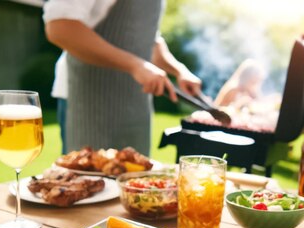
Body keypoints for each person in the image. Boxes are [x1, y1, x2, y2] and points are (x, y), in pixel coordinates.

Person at [43, 0, 202, 156]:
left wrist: (178, 70)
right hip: (89, 99)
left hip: (134, 102)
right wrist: (136, 65)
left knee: (134, 175)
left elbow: (146, 38)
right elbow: (60, 27)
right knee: (88, 175)